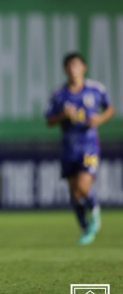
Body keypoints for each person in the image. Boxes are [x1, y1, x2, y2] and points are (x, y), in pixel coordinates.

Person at [45, 52, 114, 245]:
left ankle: (94, 210)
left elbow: (109, 108)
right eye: (69, 66)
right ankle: (86, 230)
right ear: (65, 69)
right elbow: (49, 120)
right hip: (69, 147)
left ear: (83, 68)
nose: (73, 69)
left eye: (76, 65)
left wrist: (99, 119)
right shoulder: (59, 95)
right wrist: (62, 116)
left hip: (89, 145)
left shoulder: (95, 89)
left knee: (83, 186)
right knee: (74, 192)